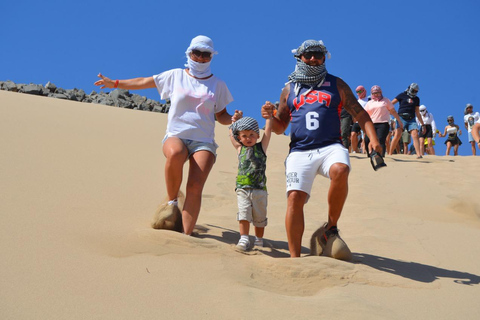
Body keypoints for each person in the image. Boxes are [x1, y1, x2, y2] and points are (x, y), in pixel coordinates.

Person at [94, 35, 242, 235]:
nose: (200, 58)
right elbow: (145, 81)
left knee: (195, 186)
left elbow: (221, 115)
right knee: (176, 154)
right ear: (189, 53)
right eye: (196, 53)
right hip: (176, 134)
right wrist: (116, 83)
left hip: (203, 140)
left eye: (205, 54)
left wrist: (233, 119)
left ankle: (186, 236)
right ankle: (172, 202)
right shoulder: (175, 75)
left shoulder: (218, 84)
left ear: (211, 57)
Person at [261, 39, 381, 260]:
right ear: (300, 58)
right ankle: (295, 259)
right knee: (295, 198)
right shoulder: (289, 89)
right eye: (309, 55)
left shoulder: (337, 84)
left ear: (325, 57)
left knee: (341, 170)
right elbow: (280, 126)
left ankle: (331, 227)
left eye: (318, 54)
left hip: (330, 145)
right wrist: (270, 116)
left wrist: (372, 138)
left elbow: (359, 113)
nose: (314, 59)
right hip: (299, 150)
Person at [229, 115, 272, 251]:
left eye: (252, 135)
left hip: (260, 190)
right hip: (242, 188)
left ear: (257, 136)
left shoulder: (261, 148)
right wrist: (233, 123)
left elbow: (268, 132)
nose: (248, 138)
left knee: (260, 217)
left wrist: (269, 118)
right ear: (239, 138)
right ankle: (244, 238)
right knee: (243, 214)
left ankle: (259, 240)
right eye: (244, 136)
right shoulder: (239, 149)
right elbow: (231, 135)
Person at [363, 85, 403, 157]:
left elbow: (393, 111)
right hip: (371, 124)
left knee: (381, 139)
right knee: (367, 140)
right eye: (374, 93)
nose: (376, 95)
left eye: (377, 93)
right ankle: (369, 156)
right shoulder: (369, 103)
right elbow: (365, 114)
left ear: (381, 92)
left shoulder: (386, 100)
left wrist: (399, 120)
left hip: (383, 123)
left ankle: (381, 156)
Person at [388, 83, 426, 158]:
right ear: (409, 88)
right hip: (401, 117)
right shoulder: (402, 95)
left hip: (411, 119)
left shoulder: (416, 99)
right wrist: (390, 112)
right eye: (413, 90)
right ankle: (390, 153)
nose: (414, 92)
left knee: (415, 134)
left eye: (416, 91)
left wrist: (422, 124)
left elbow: (417, 113)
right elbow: (391, 104)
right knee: (398, 134)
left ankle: (419, 154)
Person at [350, 85, 368, 153]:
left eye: (360, 91)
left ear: (364, 91)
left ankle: (364, 150)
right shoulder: (356, 101)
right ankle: (355, 150)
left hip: (366, 120)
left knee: (365, 135)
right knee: (353, 134)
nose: (359, 93)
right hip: (357, 121)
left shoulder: (369, 100)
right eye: (357, 91)